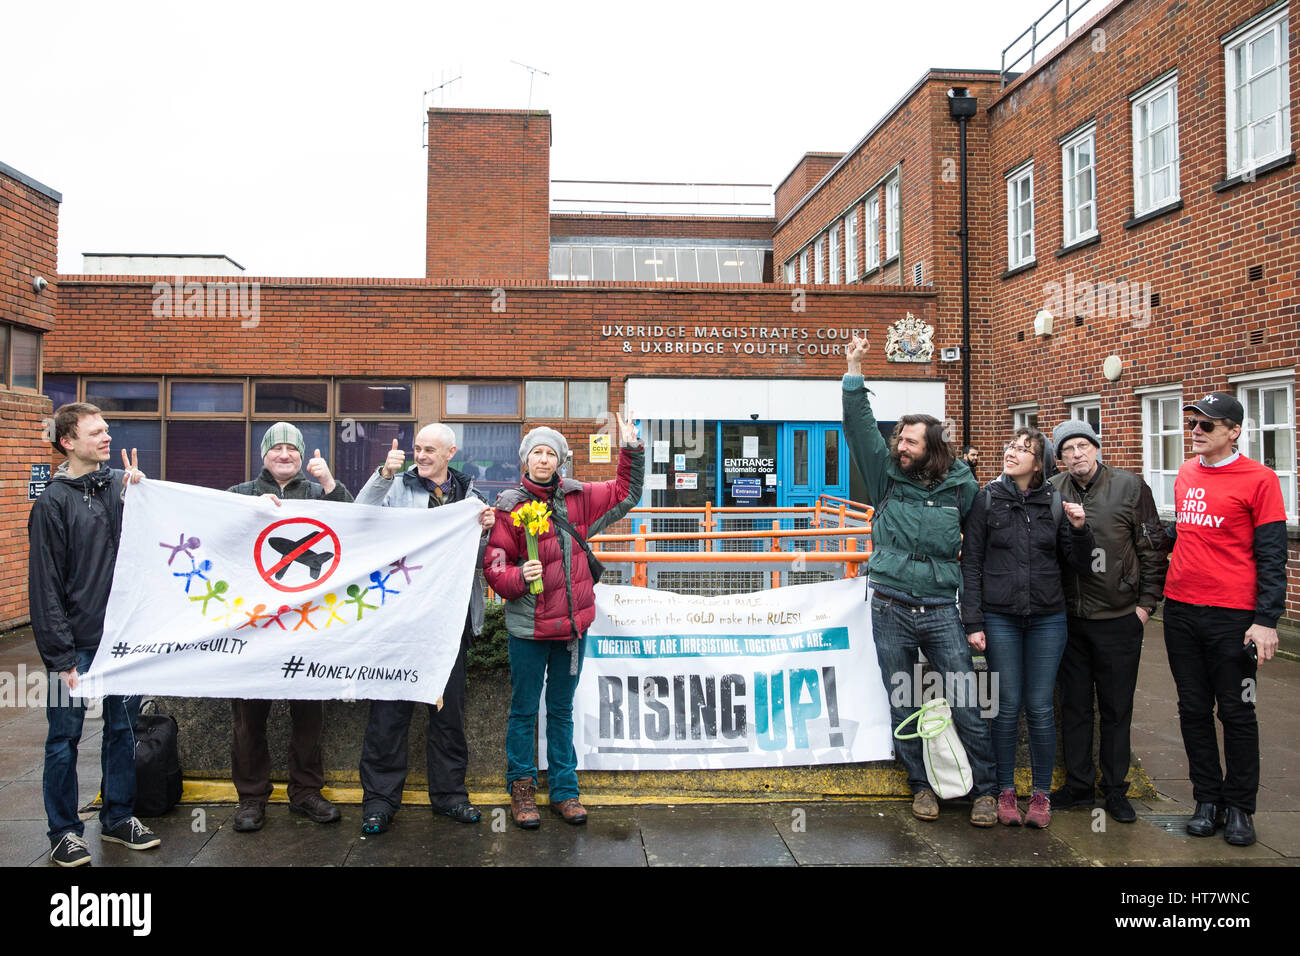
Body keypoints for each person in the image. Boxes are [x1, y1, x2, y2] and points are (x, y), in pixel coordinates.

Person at [840, 334, 1000, 826]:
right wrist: (853, 370)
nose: (900, 447)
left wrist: (974, 613)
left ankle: (985, 790)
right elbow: (860, 427)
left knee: (964, 698)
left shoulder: (963, 486)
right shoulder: (886, 474)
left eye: (910, 441)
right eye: (899, 440)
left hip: (939, 608)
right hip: (888, 604)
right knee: (904, 699)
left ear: (932, 447)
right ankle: (921, 786)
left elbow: (977, 550)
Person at [483, 415, 644, 828]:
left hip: (572, 629)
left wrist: (630, 452)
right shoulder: (509, 507)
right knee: (523, 710)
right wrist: (519, 577)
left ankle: (564, 790)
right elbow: (495, 567)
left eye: (550, 453)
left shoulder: (579, 497)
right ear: (525, 460)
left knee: (561, 709)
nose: (543, 459)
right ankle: (521, 790)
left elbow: (626, 493)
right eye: (536, 452)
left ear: (561, 461)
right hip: (529, 630)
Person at [29, 402, 160, 866]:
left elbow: (141, 552)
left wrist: (139, 499)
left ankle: (119, 816)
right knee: (63, 738)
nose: (108, 438)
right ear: (68, 441)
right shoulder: (53, 503)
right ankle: (64, 831)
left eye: (107, 429)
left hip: (121, 641)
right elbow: (45, 586)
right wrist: (60, 657)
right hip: (75, 646)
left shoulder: (115, 490)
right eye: (97, 432)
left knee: (122, 732)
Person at [354, 425, 496, 835]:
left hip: (449, 623)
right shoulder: (397, 487)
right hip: (400, 620)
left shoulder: (471, 499)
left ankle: (451, 796)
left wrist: (485, 530)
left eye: (429, 449)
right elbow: (363, 513)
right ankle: (379, 802)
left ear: (451, 452)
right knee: (389, 714)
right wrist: (383, 473)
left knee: (447, 714)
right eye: (417, 448)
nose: (421, 455)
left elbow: (481, 559)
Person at [1163, 392, 1287, 847]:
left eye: (1207, 425)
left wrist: (1266, 619)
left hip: (1233, 617)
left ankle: (1240, 807)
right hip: (1180, 610)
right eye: (1193, 423)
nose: (1195, 432)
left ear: (1233, 431)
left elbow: (1273, 556)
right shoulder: (1185, 473)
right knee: (1192, 709)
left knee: (1236, 711)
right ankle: (1206, 801)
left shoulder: (1261, 479)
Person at [961, 428, 1094, 828]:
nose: (1012, 452)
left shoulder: (1054, 501)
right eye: (1011, 446)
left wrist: (1080, 529)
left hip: (1048, 618)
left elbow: (1077, 563)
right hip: (1000, 616)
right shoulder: (987, 499)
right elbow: (971, 562)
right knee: (1005, 706)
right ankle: (1004, 790)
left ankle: (1040, 795)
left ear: (1039, 463)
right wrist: (973, 620)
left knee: (1038, 707)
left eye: (1024, 449)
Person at [225, 422, 352, 832]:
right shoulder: (239, 494)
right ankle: (251, 798)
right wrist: (246, 515)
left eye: (292, 449)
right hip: (254, 627)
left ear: (302, 456)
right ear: (263, 455)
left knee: (308, 715)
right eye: (276, 449)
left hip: (306, 628)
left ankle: (306, 792)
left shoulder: (318, 493)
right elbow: (215, 536)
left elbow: (355, 524)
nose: (284, 455)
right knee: (248, 718)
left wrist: (331, 483)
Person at [1047, 419, 1167, 824]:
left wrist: (1146, 604)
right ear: (1059, 458)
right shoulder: (1054, 491)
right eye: (1068, 449)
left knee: (1116, 708)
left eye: (1083, 446)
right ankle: (1079, 784)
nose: (1077, 454)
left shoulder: (1130, 487)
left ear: (1096, 449)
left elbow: (1152, 547)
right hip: (1070, 617)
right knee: (1075, 705)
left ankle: (1116, 789)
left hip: (1118, 616)